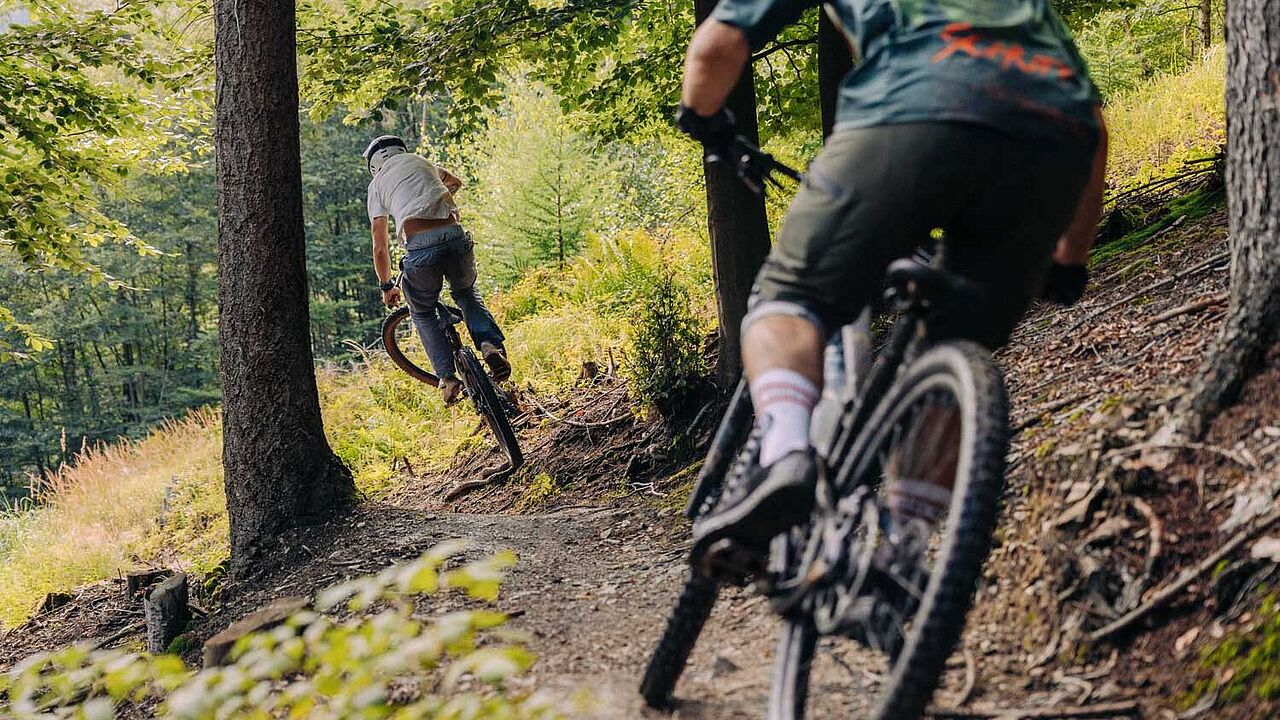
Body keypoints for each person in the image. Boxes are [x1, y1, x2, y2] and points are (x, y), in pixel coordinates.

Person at [677, 1, 1108, 556]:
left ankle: (786, 456)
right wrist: (1071, 257)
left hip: (913, 104)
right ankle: (903, 552)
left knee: (789, 298)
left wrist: (704, 119)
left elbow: (717, 45)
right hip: (1053, 134)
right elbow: (1093, 123)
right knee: (956, 344)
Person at [364, 135, 511, 403]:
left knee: (422, 311)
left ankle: (447, 378)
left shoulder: (376, 185)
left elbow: (380, 248)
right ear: (401, 150)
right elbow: (455, 182)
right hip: (456, 238)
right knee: (466, 293)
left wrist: (387, 286)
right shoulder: (422, 162)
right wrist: (435, 205)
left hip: (421, 249)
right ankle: (490, 346)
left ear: (373, 164)